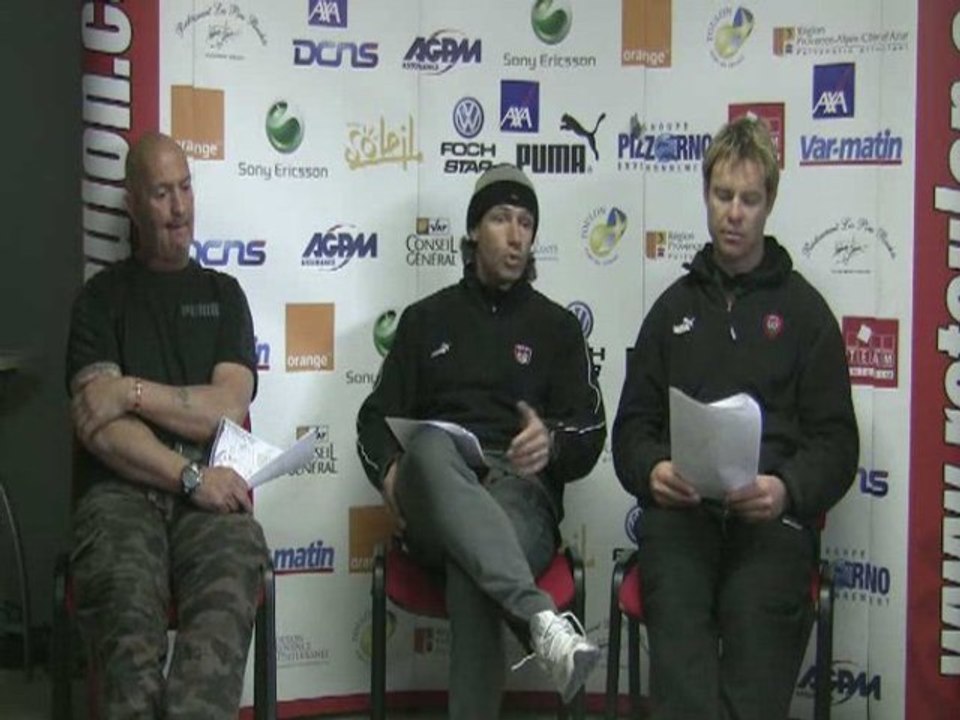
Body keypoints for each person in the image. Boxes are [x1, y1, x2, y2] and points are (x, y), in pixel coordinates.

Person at [612, 117, 859, 720]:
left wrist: (786, 488)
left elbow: (837, 443)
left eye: (749, 199)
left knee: (754, 629)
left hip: (770, 524)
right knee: (680, 631)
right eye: (723, 195)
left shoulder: (807, 315)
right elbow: (631, 430)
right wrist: (653, 470)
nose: (734, 213)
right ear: (705, 195)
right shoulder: (671, 311)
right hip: (683, 518)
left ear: (769, 202)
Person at [356, 163, 606, 718]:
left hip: (520, 495)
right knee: (429, 446)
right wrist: (391, 470)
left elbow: (591, 430)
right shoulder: (425, 320)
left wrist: (552, 442)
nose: (516, 236)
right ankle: (542, 622)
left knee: (474, 566)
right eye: (500, 219)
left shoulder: (559, 329)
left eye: (525, 223)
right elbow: (372, 421)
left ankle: (536, 625)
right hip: (436, 489)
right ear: (473, 230)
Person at [65, 132, 268, 718]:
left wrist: (131, 392)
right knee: (128, 618)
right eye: (161, 194)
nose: (180, 208)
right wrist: (187, 474)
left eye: (185, 188)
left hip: (211, 500)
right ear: (132, 204)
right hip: (120, 497)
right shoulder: (99, 300)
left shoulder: (224, 295)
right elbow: (100, 428)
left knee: (232, 577)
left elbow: (225, 407)